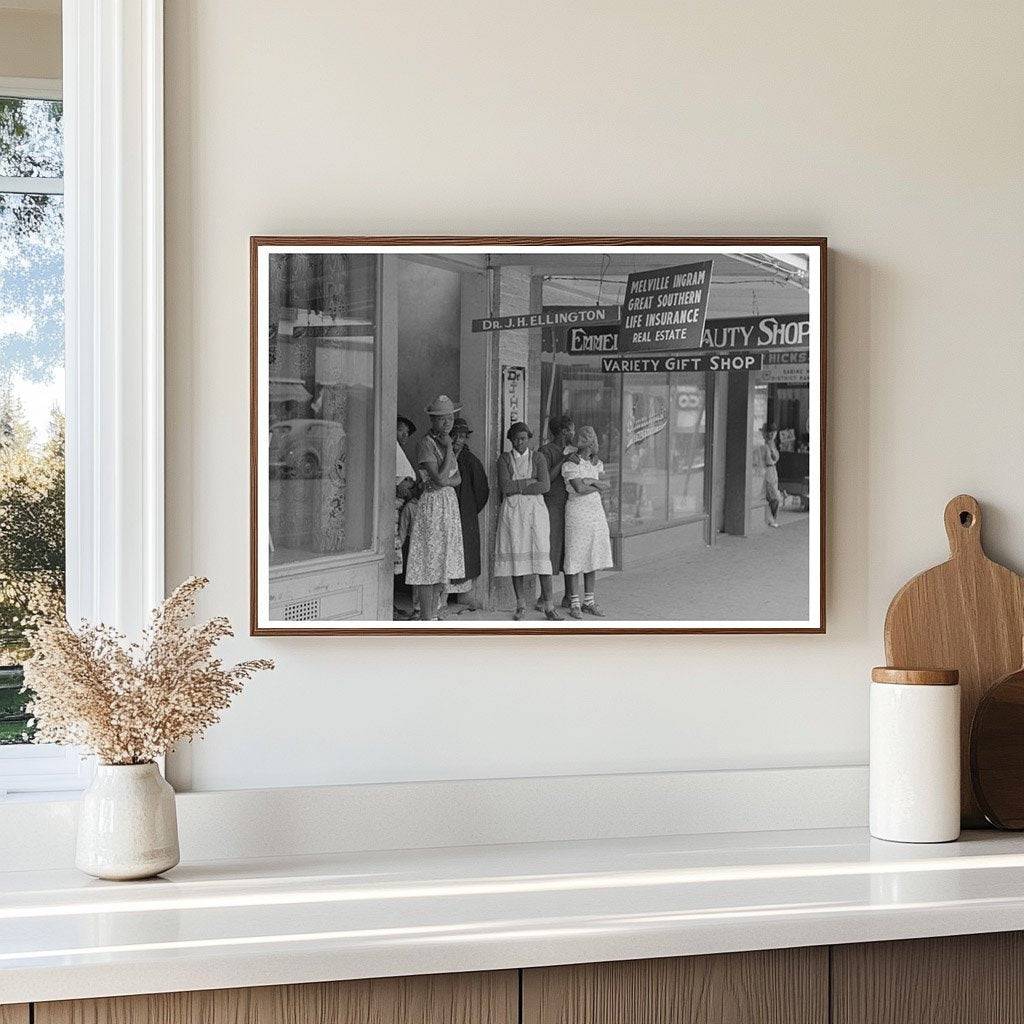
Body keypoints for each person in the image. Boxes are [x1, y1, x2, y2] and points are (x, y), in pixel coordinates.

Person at [493, 422, 562, 621]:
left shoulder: (538, 457)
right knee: (517, 558)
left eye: (523, 438)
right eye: (516, 439)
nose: (520, 442)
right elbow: (505, 486)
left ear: (529, 438)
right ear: (510, 440)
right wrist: (529, 483)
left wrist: (520, 486)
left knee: (542, 558)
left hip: (535, 512)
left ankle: (549, 605)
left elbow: (545, 485)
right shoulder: (504, 459)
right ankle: (520, 605)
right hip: (514, 513)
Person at [405, 395, 465, 620]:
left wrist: (445, 481)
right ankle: (426, 617)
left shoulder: (443, 441)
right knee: (428, 562)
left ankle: (436, 611)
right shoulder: (426, 444)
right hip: (432, 505)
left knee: (442, 561)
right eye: (441, 418)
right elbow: (438, 478)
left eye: (449, 417)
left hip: (448, 504)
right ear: (432, 420)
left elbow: (456, 478)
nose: (447, 422)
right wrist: (449, 448)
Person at [562, 425, 613, 618]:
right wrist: (594, 483)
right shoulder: (571, 464)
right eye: (592, 442)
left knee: (592, 555)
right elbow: (578, 489)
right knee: (576, 555)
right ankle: (574, 602)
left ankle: (589, 601)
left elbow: (604, 485)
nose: (594, 446)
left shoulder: (595, 464)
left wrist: (589, 482)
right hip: (577, 513)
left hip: (595, 514)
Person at [448, 417, 490, 612]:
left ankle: (462, 597)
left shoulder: (471, 461)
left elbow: (482, 492)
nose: (458, 440)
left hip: (465, 515)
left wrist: (469, 511)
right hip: (445, 514)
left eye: (462, 436)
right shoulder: (441, 456)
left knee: (464, 554)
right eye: (454, 435)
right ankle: (441, 596)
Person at [537, 414, 579, 609]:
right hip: (551, 506)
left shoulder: (575, 451)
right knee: (550, 550)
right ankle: (545, 597)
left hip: (571, 506)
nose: (573, 433)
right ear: (563, 431)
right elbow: (545, 480)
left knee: (570, 549)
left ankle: (570, 595)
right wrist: (563, 460)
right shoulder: (546, 451)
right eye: (571, 429)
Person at [761, 422, 783, 528]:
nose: (771, 435)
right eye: (769, 433)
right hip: (767, 471)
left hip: (772, 471)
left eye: (773, 433)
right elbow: (768, 459)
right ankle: (770, 519)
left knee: (774, 496)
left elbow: (775, 458)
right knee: (773, 497)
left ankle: (771, 518)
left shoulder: (772, 444)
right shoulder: (763, 445)